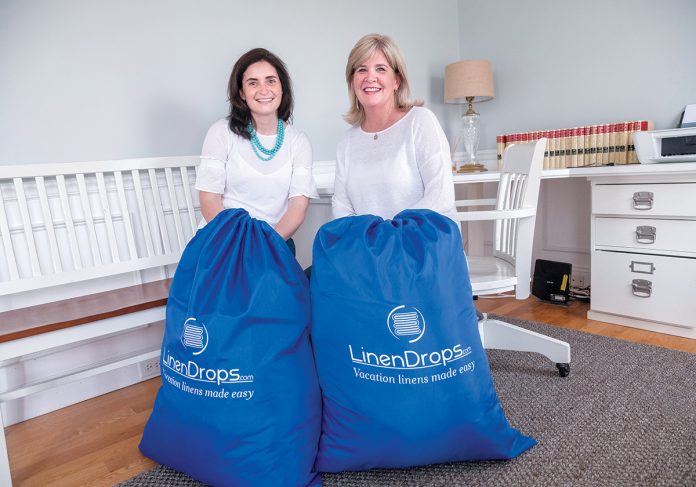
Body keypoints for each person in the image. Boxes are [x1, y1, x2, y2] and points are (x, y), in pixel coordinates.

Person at [195, 48, 318, 254]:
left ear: (282, 88)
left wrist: (266, 247)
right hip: (223, 240)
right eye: (253, 83)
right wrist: (239, 245)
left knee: (278, 284)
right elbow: (209, 200)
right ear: (241, 93)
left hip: (275, 242)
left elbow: (298, 207)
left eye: (271, 81)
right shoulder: (220, 133)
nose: (263, 90)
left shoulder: (299, 142)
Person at [332, 34, 455, 221]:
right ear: (352, 80)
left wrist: (388, 233)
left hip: (420, 243)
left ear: (397, 80)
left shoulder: (420, 121)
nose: (370, 77)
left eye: (381, 69)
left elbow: (441, 196)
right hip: (371, 247)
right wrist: (374, 240)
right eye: (362, 70)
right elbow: (341, 210)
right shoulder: (346, 142)